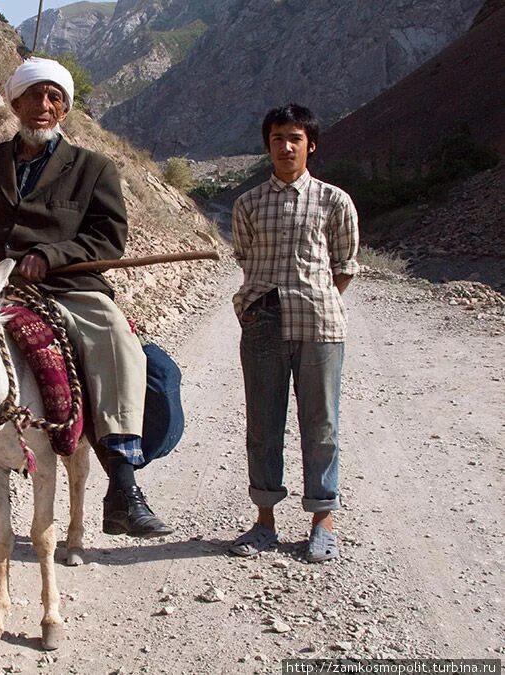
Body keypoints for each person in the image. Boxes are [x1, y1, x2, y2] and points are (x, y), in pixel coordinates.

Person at [0, 57, 172, 548]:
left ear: (64, 109)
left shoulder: (93, 168)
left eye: (54, 97)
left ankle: (123, 483)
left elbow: (108, 240)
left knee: (114, 339)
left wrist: (51, 255)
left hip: (67, 287)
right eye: (34, 96)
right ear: (14, 102)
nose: (44, 106)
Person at [228, 103, 359, 563]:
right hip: (263, 321)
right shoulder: (247, 204)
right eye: (278, 138)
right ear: (267, 145)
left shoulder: (334, 201)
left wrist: (316, 296)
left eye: (295, 138)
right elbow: (246, 260)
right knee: (263, 424)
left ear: (311, 144)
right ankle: (264, 523)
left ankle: (322, 521)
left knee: (321, 426)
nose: (286, 147)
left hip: (320, 324)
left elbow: (344, 266)